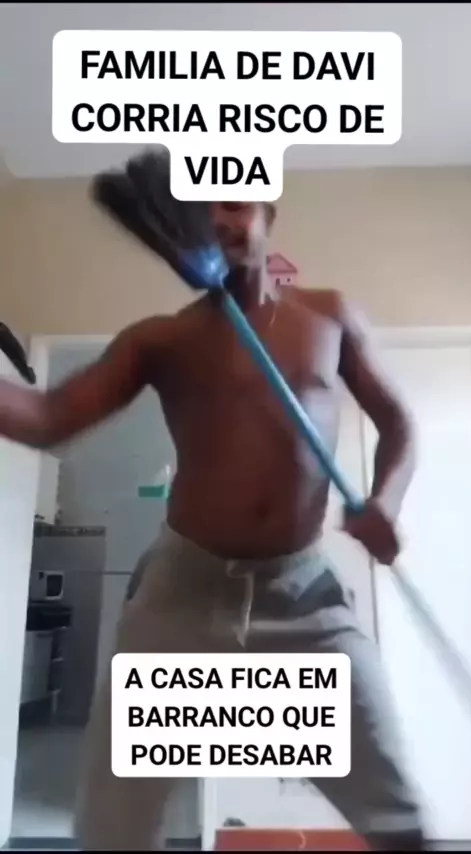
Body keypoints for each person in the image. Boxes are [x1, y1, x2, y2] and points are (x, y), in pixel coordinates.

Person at [0, 200, 427, 851]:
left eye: (233, 204)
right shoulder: (160, 340)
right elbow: (48, 418)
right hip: (182, 598)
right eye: (201, 212)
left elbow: (398, 423)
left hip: (302, 599)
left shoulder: (329, 317)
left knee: (398, 817)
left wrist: (387, 501)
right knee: (116, 831)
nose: (219, 223)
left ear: (267, 215)